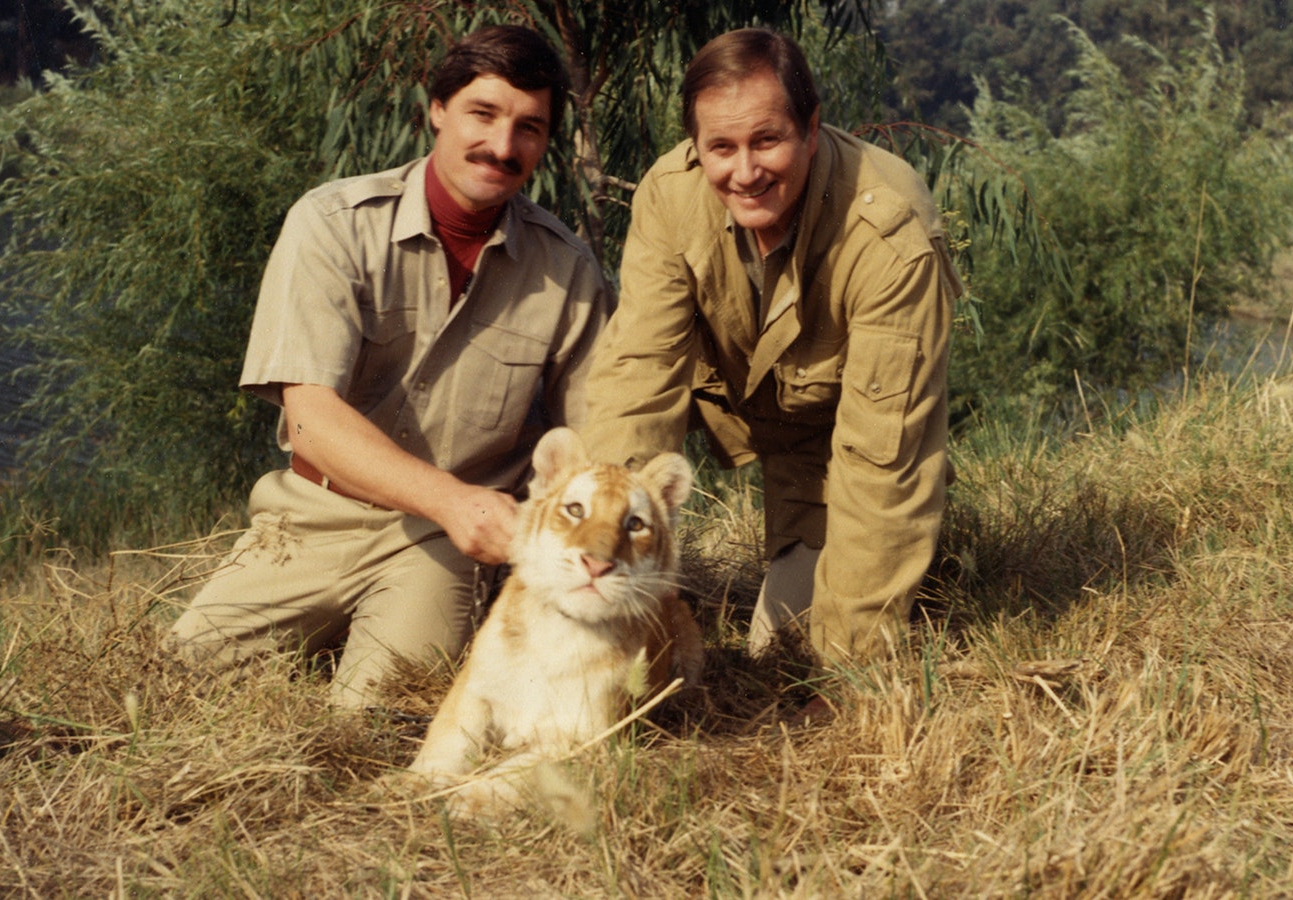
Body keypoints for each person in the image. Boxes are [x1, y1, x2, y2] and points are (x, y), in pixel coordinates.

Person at [168, 25, 612, 709]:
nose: (502, 146)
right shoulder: (332, 224)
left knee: (373, 720)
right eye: (483, 114)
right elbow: (311, 421)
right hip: (314, 515)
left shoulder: (568, 271)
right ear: (437, 109)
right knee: (174, 681)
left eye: (529, 127)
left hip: (441, 549)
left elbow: (594, 450)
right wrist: (453, 499)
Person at [581, 27, 961, 667]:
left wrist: (846, 672)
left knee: (786, 657)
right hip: (725, 406)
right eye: (720, 148)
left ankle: (919, 567)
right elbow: (637, 381)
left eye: (768, 140)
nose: (745, 171)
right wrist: (600, 553)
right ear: (696, 147)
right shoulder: (670, 197)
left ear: (811, 129)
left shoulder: (888, 235)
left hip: (831, 452)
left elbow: (884, 460)